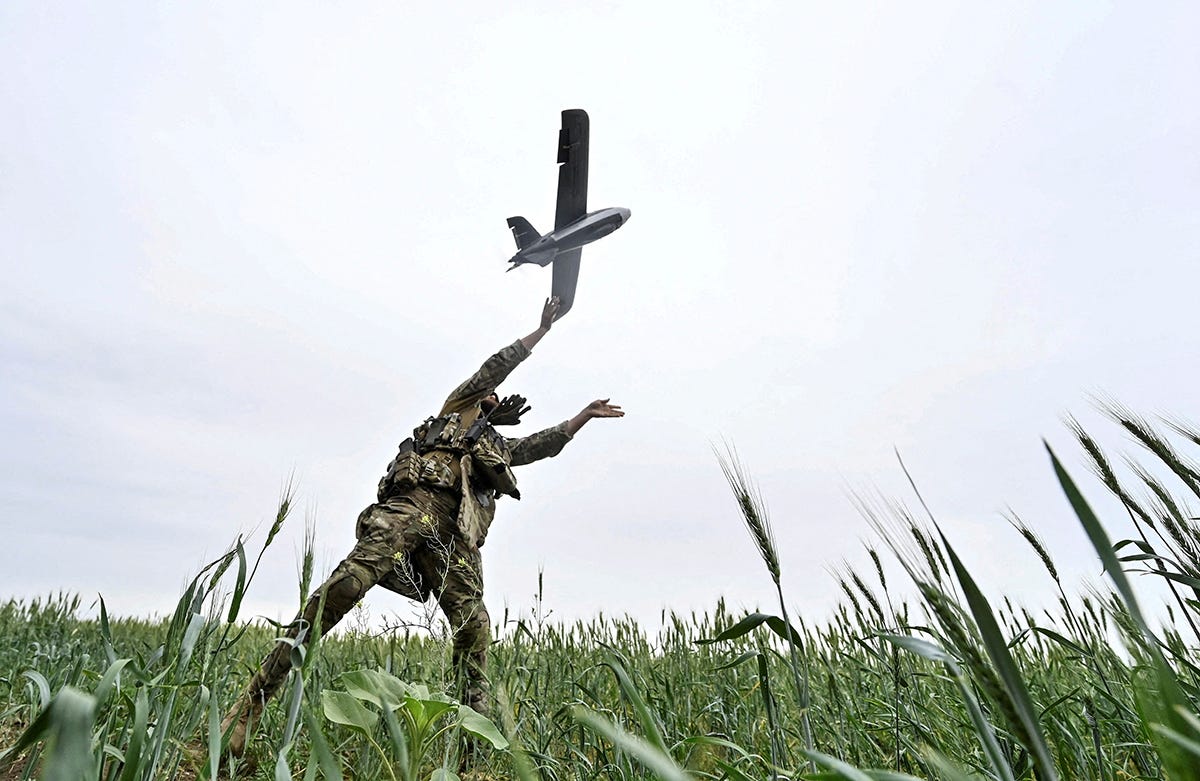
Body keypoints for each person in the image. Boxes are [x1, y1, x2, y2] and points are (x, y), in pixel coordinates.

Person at [221, 296, 623, 756]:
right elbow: (492, 369)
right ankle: (249, 707)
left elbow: (541, 445)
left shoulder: (495, 444)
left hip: (455, 532)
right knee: (347, 585)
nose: (492, 397)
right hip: (411, 507)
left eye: (493, 400)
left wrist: (583, 417)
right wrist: (541, 331)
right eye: (488, 396)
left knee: (474, 627)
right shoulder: (457, 409)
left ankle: (471, 753)